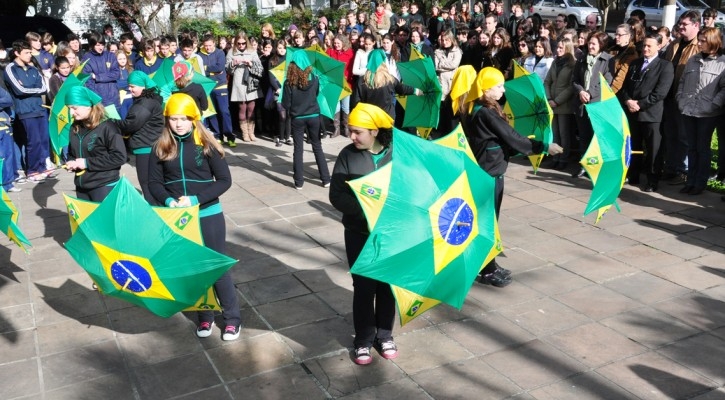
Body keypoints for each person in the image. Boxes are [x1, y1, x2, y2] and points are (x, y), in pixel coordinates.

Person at [148, 93, 241, 341]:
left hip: (207, 213)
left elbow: (224, 181)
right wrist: (168, 200)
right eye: (174, 119)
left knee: (216, 267)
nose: (178, 124)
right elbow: (154, 183)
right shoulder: (160, 147)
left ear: (194, 118)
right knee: (193, 269)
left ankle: (232, 318)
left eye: (184, 118)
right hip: (178, 217)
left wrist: (196, 200)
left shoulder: (206, 145)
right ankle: (205, 315)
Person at [462, 67, 563, 287]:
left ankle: (490, 264)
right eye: (497, 86)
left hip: (491, 170)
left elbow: (503, 139)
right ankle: (486, 270)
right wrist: (544, 146)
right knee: (488, 222)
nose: (502, 89)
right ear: (485, 88)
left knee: (490, 220)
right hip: (488, 173)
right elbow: (510, 136)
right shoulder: (485, 112)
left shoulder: (483, 107)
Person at [329, 102, 398, 365]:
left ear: (376, 131)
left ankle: (385, 335)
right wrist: (366, 211)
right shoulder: (348, 155)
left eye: (358, 131)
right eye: (350, 130)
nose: (352, 136)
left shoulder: (396, 153)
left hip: (390, 233)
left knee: (388, 285)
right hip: (358, 232)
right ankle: (363, 339)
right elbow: (336, 195)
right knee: (364, 286)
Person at [621, 33, 674, 192]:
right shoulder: (635, 63)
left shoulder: (665, 66)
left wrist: (640, 104)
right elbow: (625, 87)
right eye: (644, 45)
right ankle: (633, 175)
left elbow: (660, 93)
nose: (645, 48)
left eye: (649, 46)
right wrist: (628, 100)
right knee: (634, 146)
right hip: (632, 113)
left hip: (652, 115)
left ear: (659, 46)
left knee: (653, 149)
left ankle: (652, 180)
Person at [676, 27, 725, 195]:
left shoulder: (722, 63)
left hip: (707, 113)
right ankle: (690, 180)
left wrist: (714, 104)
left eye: (703, 40)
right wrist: (680, 99)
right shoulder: (693, 60)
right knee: (692, 147)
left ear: (713, 42)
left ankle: (700, 182)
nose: (699, 43)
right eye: (699, 39)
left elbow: (724, 89)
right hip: (689, 109)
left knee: (703, 148)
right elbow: (682, 81)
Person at [64, 86, 126, 201]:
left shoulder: (108, 127)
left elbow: (120, 157)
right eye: (69, 108)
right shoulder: (75, 127)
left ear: (88, 105)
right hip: (82, 186)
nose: (71, 112)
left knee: (104, 219)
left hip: (103, 185)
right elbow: (73, 152)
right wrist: (71, 161)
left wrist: (87, 163)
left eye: (74, 108)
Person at [282, 51, 330, 189]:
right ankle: (326, 179)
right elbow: (315, 95)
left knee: (298, 149)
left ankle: (299, 182)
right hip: (314, 116)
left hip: (297, 118)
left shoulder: (288, 83)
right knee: (317, 147)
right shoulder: (315, 78)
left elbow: (286, 104)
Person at [4, 40, 52, 183]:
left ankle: (43, 168)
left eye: (30, 52)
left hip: (39, 109)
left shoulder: (33, 69)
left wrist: (30, 89)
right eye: (26, 52)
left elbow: (44, 88)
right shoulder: (11, 68)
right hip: (25, 111)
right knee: (33, 141)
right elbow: (19, 90)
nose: (30, 55)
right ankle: (32, 170)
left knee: (43, 140)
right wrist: (33, 90)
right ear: (17, 53)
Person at [113, 71, 164, 202]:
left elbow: (131, 124)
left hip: (146, 147)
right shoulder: (148, 100)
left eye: (132, 86)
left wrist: (110, 121)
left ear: (143, 86)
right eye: (129, 86)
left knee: (146, 183)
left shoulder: (144, 104)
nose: (129, 89)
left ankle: (153, 211)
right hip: (149, 145)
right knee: (151, 183)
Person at [571, 31, 613, 178]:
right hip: (582, 104)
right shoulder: (581, 59)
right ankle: (584, 165)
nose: (590, 46)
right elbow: (574, 79)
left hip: (597, 105)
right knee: (584, 137)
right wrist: (581, 92)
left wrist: (590, 93)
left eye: (594, 44)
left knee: (597, 138)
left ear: (601, 45)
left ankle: (595, 167)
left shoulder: (608, 60)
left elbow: (606, 82)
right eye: (589, 43)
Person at [544, 38, 577, 171]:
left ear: (567, 49)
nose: (558, 50)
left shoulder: (573, 64)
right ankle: (556, 157)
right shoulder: (555, 62)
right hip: (552, 102)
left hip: (563, 104)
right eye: (557, 47)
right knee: (556, 132)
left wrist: (557, 100)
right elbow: (547, 81)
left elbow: (571, 87)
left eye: (561, 48)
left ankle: (564, 158)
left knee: (564, 133)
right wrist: (549, 98)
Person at [199, 34, 235, 147]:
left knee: (224, 111)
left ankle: (229, 136)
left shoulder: (220, 53)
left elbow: (219, 67)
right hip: (208, 87)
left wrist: (206, 68)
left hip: (220, 85)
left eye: (210, 45)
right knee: (213, 113)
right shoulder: (199, 55)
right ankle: (217, 135)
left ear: (214, 43)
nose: (208, 48)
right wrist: (208, 70)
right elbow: (200, 70)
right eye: (205, 46)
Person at [227, 32, 263, 142]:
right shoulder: (231, 52)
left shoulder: (252, 51)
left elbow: (260, 68)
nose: (241, 45)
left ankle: (251, 132)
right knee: (242, 108)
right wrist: (233, 63)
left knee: (251, 108)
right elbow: (227, 69)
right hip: (238, 83)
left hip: (251, 82)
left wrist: (251, 64)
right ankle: (245, 133)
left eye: (243, 43)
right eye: (239, 43)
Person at [81, 31, 121, 109]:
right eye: (98, 45)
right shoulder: (86, 59)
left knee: (117, 121)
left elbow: (116, 74)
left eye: (102, 44)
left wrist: (97, 77)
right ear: (92, 45)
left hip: (114, 98)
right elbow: (88, 82)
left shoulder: (111, 56)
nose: (101, 47)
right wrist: (97, 100)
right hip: (99, 100)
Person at [327, 34, 355, 138]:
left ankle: (346, 128)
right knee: (336, 107)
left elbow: (352, 68)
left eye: (338, 43)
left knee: (345, 107)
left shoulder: (350, 53)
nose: (336, 45)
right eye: (335, 43)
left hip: (346, 84)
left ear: (343, 43)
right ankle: (336, 128)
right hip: (334, 83)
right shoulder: (330, 52)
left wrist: (347, 76)